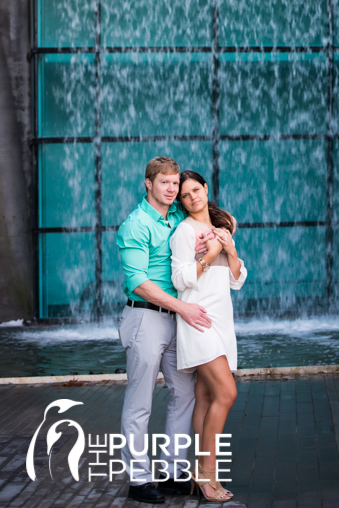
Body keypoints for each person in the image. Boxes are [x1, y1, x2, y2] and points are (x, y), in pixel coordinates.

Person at [116, 156, 215, 504]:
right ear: (148, 183)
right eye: (165, 183)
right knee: (139, 402)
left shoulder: (176, 215)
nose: (172, 189)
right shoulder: (135, 225)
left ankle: (172, 471)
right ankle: (138, 480)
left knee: (184, 394)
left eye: (175, 183)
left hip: (176, 319)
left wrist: (214, 239)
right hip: (145, 317)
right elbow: (138, 283)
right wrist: (184, 307)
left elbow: (213, 222)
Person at [170, 170, 247, 503]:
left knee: (205, 398)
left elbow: (237, 280)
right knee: (227, 393)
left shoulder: (221, 228)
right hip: (198, 320)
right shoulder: (184, 232)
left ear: (205, 189)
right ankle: (205, 474)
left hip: (221, 320)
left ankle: (203, 474)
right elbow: (180, 279)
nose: (192, 198)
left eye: (196, 190)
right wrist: (210, 254)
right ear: (181, 201)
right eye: (185, 195)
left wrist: (228, 248)